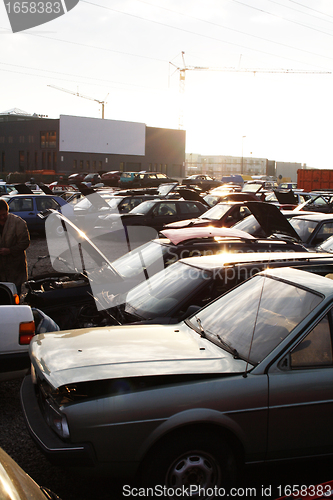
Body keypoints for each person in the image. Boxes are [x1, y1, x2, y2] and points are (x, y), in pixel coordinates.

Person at [0, 199, 30, 294]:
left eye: (4, 214)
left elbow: (25, 242)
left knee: (14, 294)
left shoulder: (18, 223)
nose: (2, 217)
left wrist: (10, 250)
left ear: (7, 211)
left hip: (15, 268)